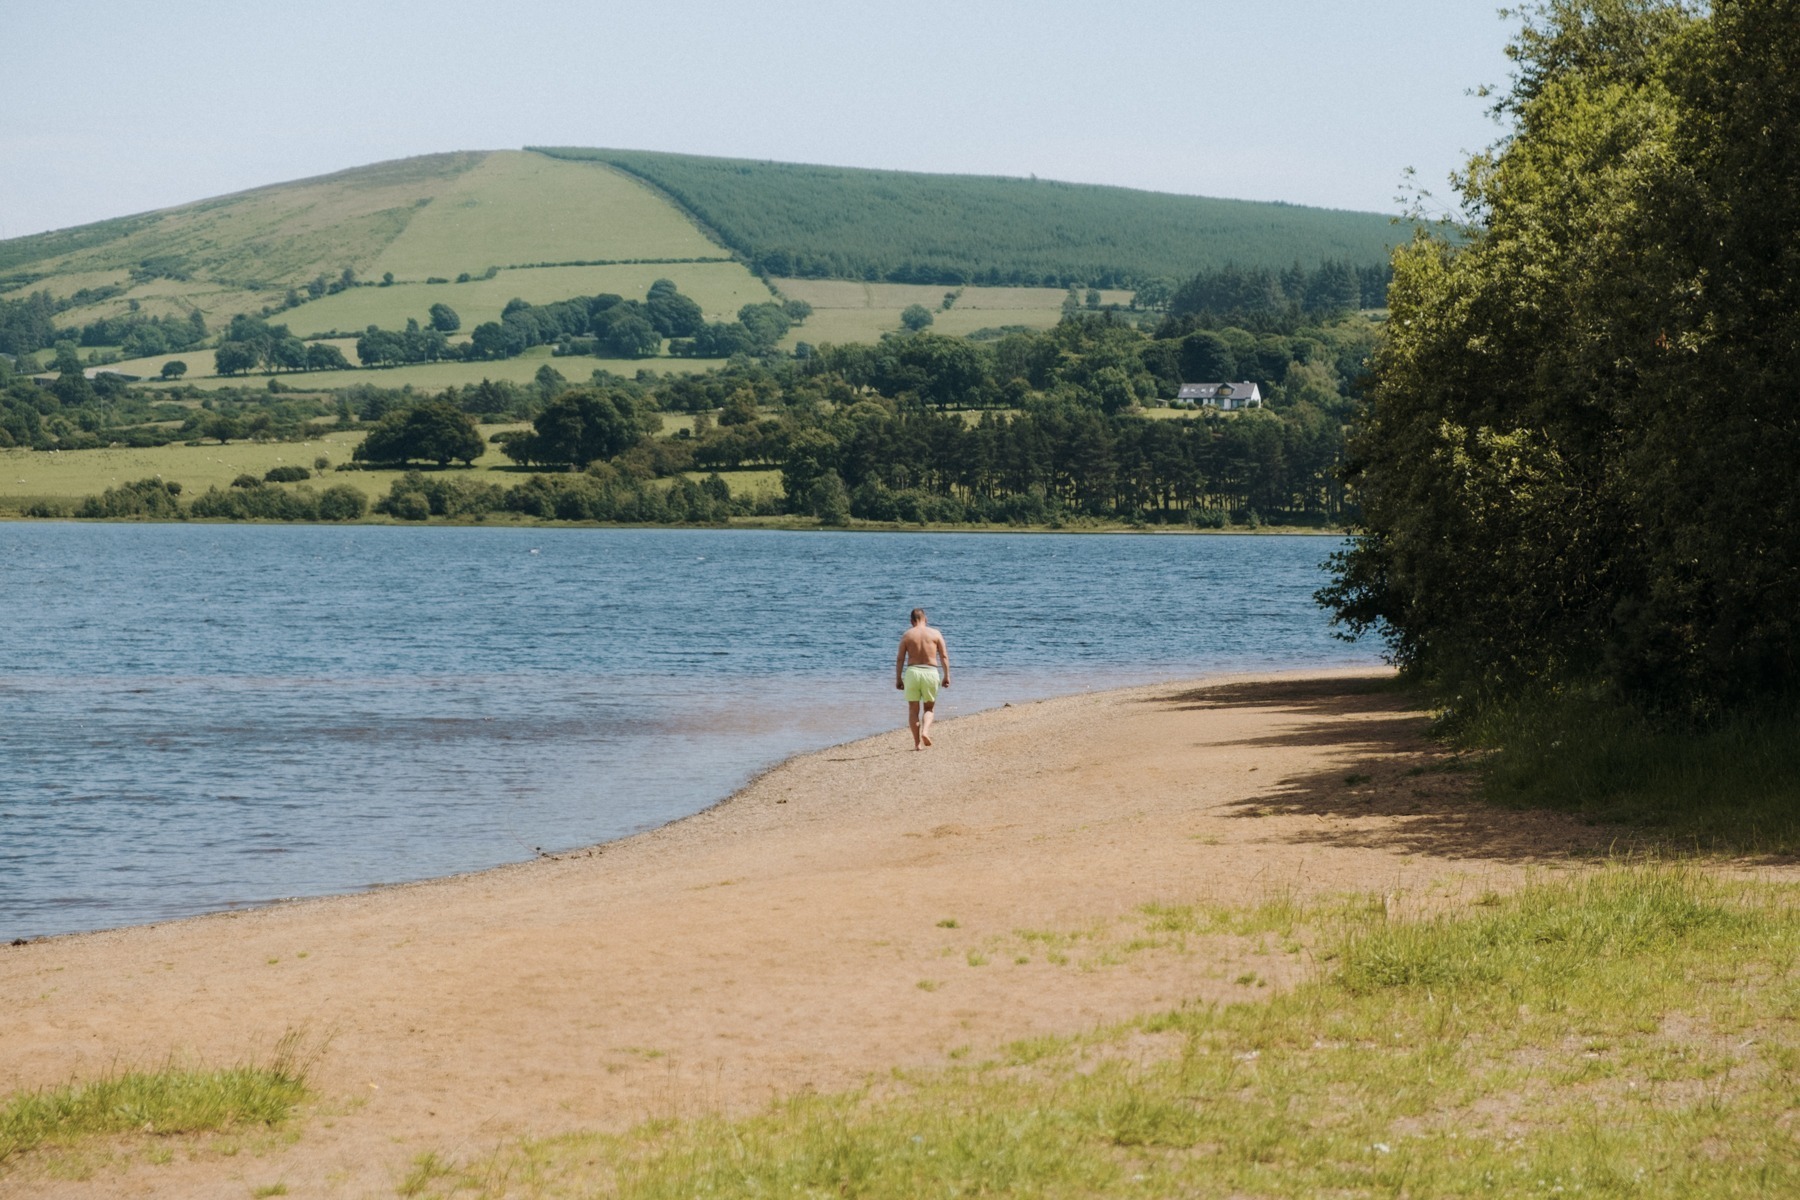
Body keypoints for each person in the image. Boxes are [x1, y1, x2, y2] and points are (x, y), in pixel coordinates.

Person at [895, 607, 951, 750]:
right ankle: (925, 731)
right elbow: (944, 656)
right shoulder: (935, 633)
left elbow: (900, 658)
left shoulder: (907, 635)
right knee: (929, 708)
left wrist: (898, 678)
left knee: (913, 710)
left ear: (911, 621)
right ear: (926, 619)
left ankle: (916, 744)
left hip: (913, 672)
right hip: (930, 672)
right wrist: (946, 676)